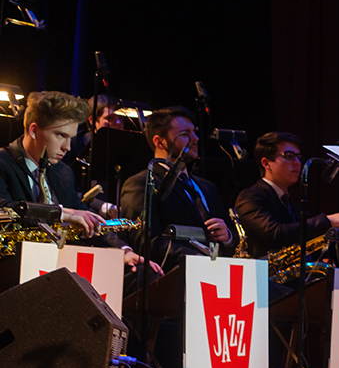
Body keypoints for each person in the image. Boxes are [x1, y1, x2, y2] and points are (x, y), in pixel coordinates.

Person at [0, 91, 160, 274]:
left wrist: (122, 251)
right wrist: (62, 213)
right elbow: (5, 209)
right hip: (13, 266)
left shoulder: (63, 171)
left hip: (59, 265)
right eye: (60, 135)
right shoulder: (3, 162)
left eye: (70, 138)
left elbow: (84, 214)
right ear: (33, 130)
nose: (67, 147)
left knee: (139, 274)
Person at [120, 106, 236, 272]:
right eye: (186, 133)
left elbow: (232, 238)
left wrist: (228, 238)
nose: (195, 138)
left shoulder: (207, 187)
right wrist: (198, 259)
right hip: (174, 279)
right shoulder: (140, 183)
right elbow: (147, 243)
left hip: (220, 274)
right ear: (160, 142)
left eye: (194, 132)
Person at [233, 131, 339, 259]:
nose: (297, 162)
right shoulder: (250, 197)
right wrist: (328, 221)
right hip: (259, 275)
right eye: (289, 156)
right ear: (266, 163)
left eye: (299, 157)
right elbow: (275, 233)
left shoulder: (287, 202)